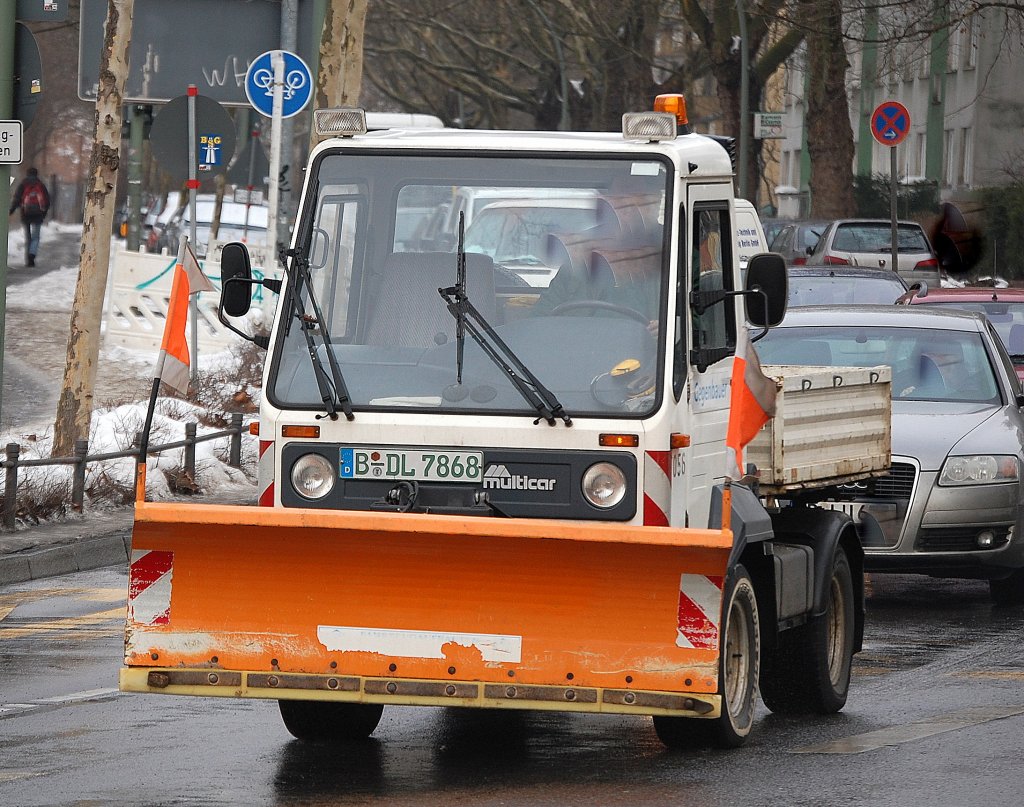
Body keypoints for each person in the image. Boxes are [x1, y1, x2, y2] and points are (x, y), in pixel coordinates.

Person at [9, 167, 50, 267]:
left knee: (28, 237)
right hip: (38, 214)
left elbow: (17, 198)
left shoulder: (23, 184)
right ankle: (32, 254)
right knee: (36, 237)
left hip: (25, 213)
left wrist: (12, 210)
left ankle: (28, 260)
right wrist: (43, 213)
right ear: (36, 174)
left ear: (27, 174)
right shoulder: (40, 185)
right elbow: (47, 200)